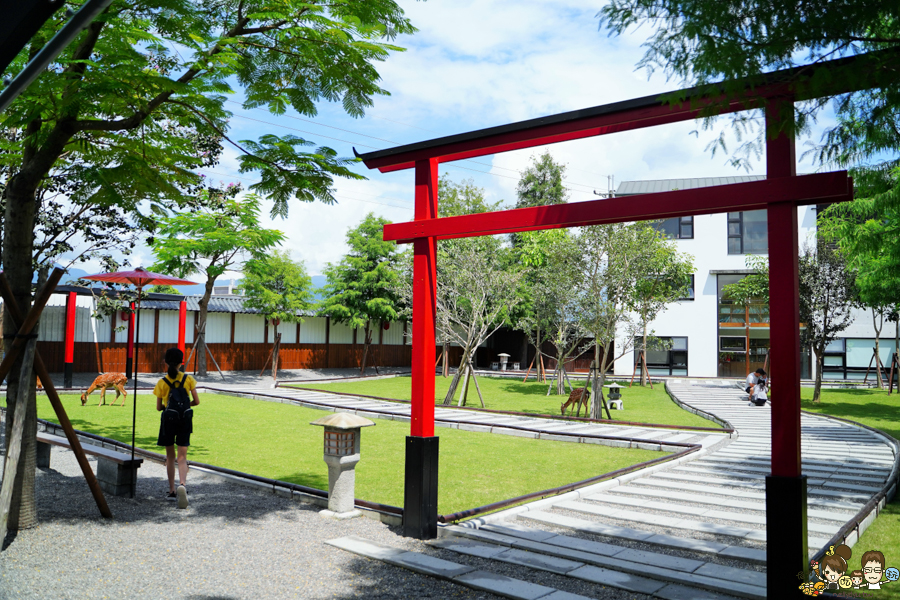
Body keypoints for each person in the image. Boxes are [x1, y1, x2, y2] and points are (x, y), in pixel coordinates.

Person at [154, 347, 199, 509]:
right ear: (182, 362)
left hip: (169, 420)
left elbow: (159, 407)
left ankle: (172, 491)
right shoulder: (188, 379)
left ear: (165, 362)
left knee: (170, 456)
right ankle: (183, 485)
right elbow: (197, 401)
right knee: (182, 456)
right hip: (185, 420)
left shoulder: (162, 382)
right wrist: (185, 405)